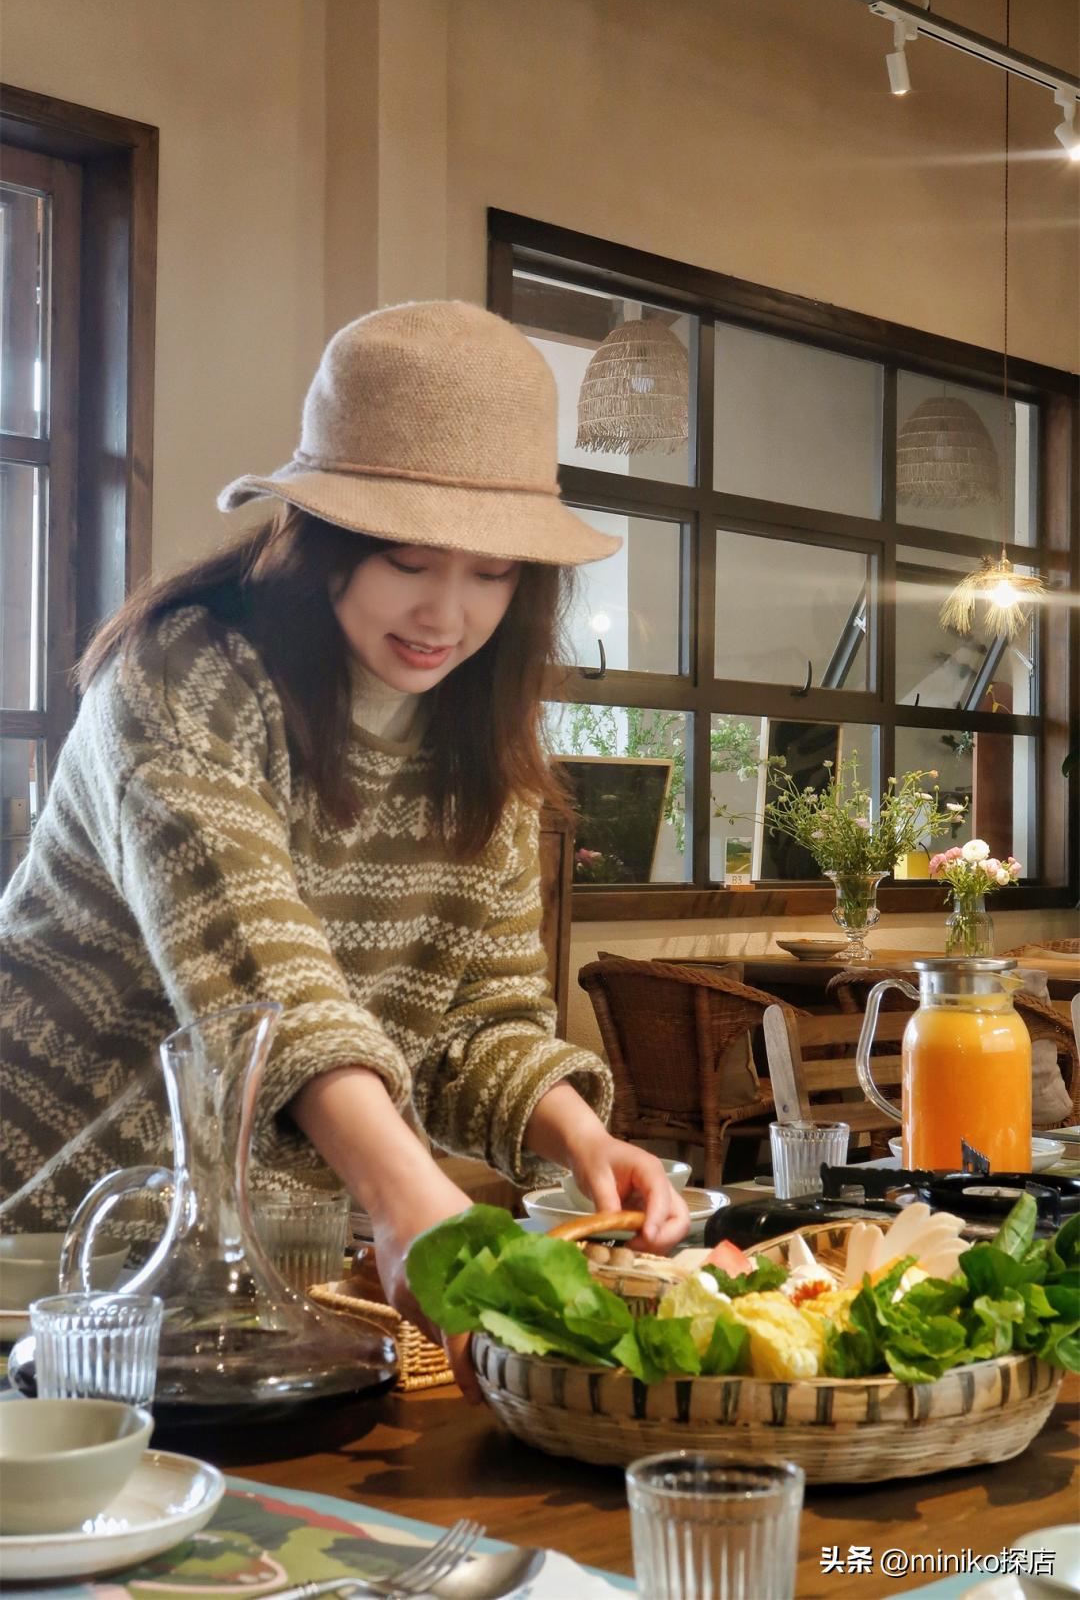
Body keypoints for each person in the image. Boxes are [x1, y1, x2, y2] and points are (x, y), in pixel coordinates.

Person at [0, 300, 690, 1398]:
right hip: (41, 1255)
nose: (447, 613)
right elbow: (260, 981)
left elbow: (479, 1025)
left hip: (249, 1290)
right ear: (315, 532)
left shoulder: (483, 743)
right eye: (410, 558)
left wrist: (576, 1138)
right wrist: (410, 1201)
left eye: (494, 572)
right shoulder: (183, 679)